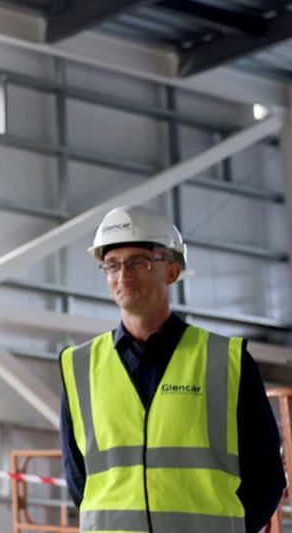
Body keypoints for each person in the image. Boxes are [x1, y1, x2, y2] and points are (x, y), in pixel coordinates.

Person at [59, 204, 286, 533]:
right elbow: (79, 479)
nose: (123, 275)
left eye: (139, 262)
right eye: (112, 265)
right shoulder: (78, 365)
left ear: (172, 271)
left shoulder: (227, 360)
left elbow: (266, 477)